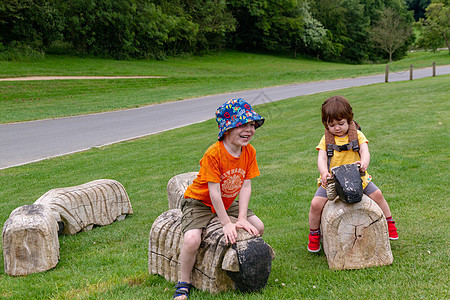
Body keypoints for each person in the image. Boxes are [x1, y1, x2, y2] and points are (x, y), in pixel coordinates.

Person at [173, 98, 265, 299]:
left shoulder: (249, 151)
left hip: (227, 201)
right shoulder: (214, 154)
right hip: (199, 202)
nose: (248, 129)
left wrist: (240, 218)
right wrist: (225, 223)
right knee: (191, 240)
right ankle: (183, 282)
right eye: (241, 125)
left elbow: (246, 185)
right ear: (227, 128)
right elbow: (213, 192)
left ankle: (244, 267)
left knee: (258, 226)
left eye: (252, 124)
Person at [307, 95, 398, 253]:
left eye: (341, 123)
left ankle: (389, 223)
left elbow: (365, 151)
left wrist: (364, 163)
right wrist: (323, 172)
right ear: (326, 124)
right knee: (315, 204)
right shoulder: (326, 139)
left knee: (378, 194)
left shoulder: (357, 135)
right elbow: (321, 158)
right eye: (332, 125)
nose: (337, 128)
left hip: (358, 178)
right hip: (333, 181)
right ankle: (314, 233)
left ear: (349, 120)